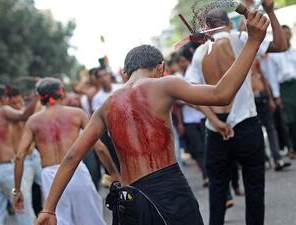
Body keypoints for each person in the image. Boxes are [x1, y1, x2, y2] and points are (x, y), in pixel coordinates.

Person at [35, 10, 269, 225]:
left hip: (129, 201)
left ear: (125, 73)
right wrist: (253, 41)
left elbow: (73, 156)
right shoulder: (165, 84)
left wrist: (48, 209)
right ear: (161, 67)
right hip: (168, 191)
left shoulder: (105, 106)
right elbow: (221, 94)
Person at [188, 1, 287, 225]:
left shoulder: (199, 53)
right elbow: (281, 45)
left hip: (215, 130)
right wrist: (270, 11)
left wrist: (215, 121)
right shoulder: (241, 39)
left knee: (218, 189)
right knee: (254, 188)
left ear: (206, 27)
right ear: (227, 24)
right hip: (245, 123)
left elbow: (193, 95)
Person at [13, 78, 120, 225]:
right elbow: (99, 147)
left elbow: (19, 157)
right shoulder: (77, 114)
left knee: (59, 220)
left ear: (40, 97)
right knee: (91, 220)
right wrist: (113, 173)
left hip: (50, 179)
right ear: (62, 92)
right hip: (76, 171)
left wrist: (17, 190)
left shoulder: (33, 121)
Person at [0, 84, 38, 225]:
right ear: (3, 98)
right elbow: (24, 115)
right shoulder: (3, 110)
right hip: (8, 168)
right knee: (23, 210)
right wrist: (37, 97)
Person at [251, 59, 291, 170]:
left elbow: (264, 79)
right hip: (251, 100)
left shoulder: (254, 61)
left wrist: (270, 99)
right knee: (256, 131)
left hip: (262, 96)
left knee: (271, 128)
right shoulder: (234, 59)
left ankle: (277, 159)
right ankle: (264, 159)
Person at [263, 25, 296, 159]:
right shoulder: (273, 55)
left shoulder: (294, 51)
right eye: (283, 34)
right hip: (284, 87)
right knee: (289, 119)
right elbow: (271, 75)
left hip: (295, 83)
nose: (286, 36)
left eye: (288, 33)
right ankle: (292, 147)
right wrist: (276, 95)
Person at [177, 44, 208, 186]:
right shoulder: (176, 78)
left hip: (201, 115)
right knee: (197, 149)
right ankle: (206, 175)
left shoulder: (194, 71)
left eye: (183, 61)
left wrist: (183, 98)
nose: (181, 64)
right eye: (179, 62)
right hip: (188, 119)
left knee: (206, 147)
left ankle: (209, 174)